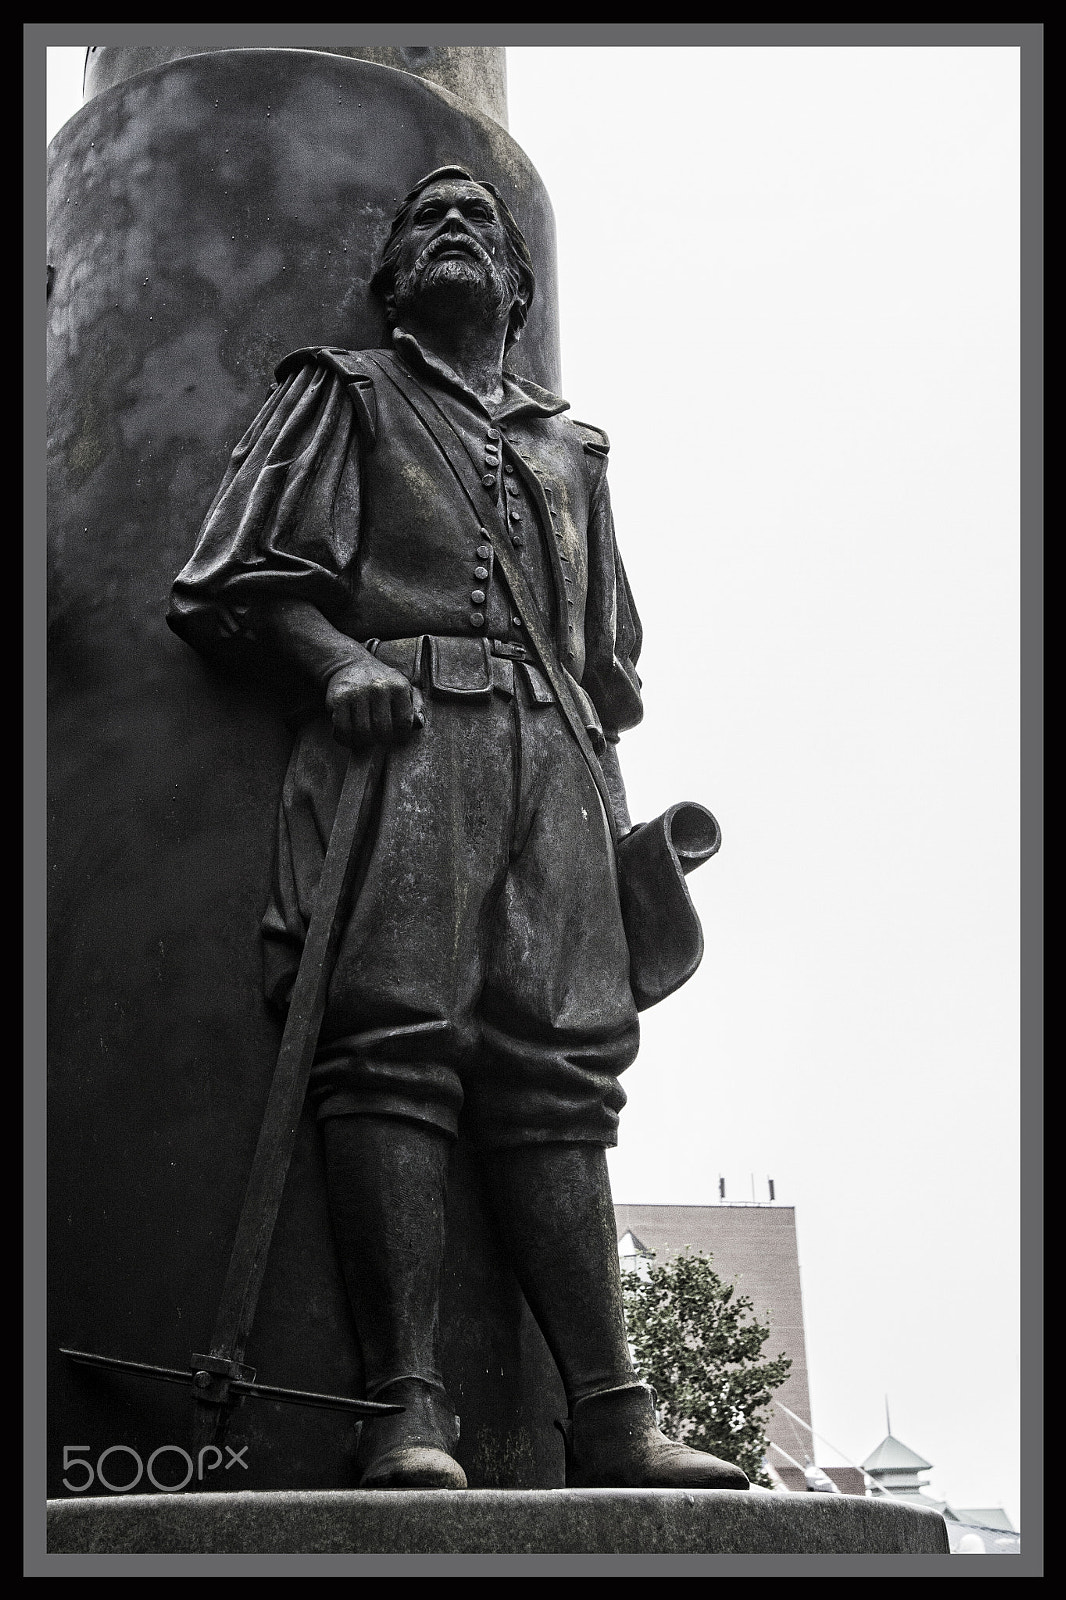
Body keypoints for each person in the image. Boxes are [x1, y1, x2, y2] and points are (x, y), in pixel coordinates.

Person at [168, 166, 748, 1493]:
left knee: (560, 1077)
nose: (449, 231)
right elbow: (229, 583)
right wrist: (335, 663)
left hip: (548, 753)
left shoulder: (571, 449)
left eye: (474, 220)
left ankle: (611, 1416)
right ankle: (403, 1408)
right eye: (423, 220)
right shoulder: (347, 390)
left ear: (518, 285)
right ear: (389, 279)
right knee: (393, 1051)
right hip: (404, 737)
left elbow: (611, 657)